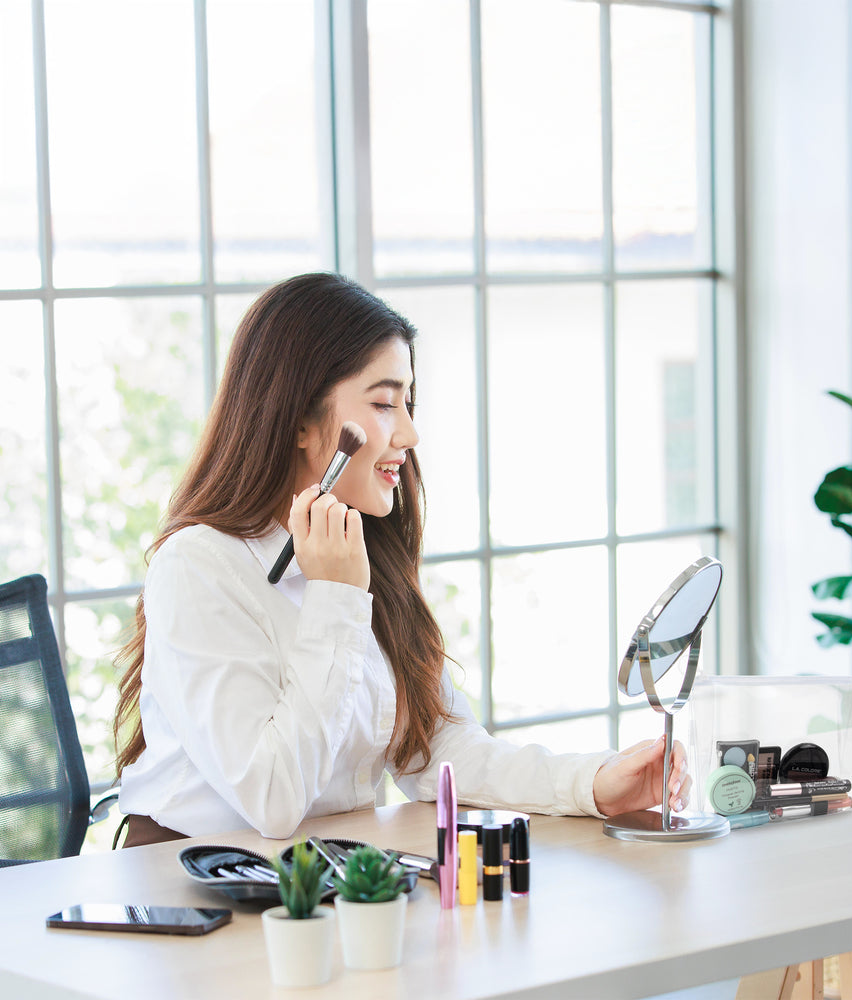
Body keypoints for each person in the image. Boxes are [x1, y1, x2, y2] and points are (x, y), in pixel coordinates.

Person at [113, 272, 690, 845]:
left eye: (408, 403)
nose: (410, 433)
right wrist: (335, 599)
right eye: (385, 403)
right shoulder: (199, 567)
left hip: (323, 879)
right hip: (194, 888)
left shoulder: (365, 551)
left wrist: (592, 783)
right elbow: (273, 796)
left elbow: (440, 748)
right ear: (298, 421)